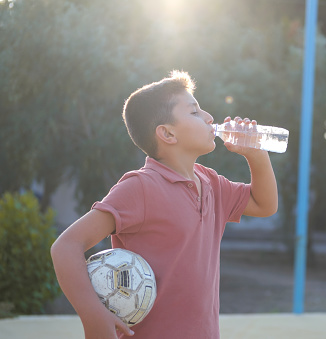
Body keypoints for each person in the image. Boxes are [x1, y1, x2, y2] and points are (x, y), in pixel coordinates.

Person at [50, 70, 278, 339]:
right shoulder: (141, 187)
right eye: (194, 112)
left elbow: (264, 205)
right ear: (168, 134)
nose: (209, 117)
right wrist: (93, 317)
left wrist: (256, 154)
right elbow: (65, 246)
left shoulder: (212, 183)